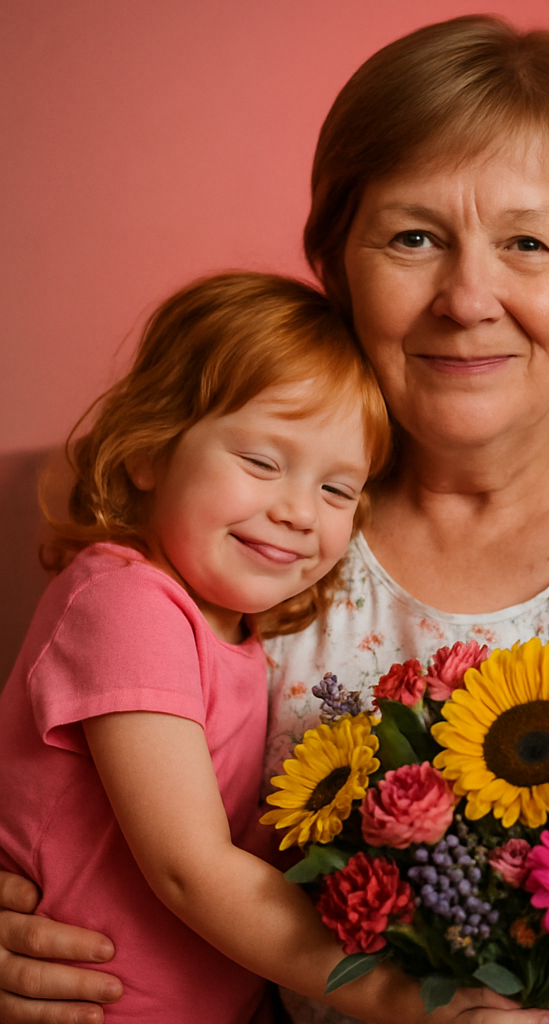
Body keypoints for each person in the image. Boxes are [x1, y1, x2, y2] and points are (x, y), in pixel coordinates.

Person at [0, 19, 549, 1024]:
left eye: (526, 242)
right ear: (336, 262)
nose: (468, 297)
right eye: (414, 237)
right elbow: (81, 771)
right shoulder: (249, 529)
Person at [0, 269, 416, 1023]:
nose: (297, 511)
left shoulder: (237, 629)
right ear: (150, 450)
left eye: (337, 490)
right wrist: (398, 998)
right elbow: (189, 870)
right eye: (262, 462)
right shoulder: (127, 601)